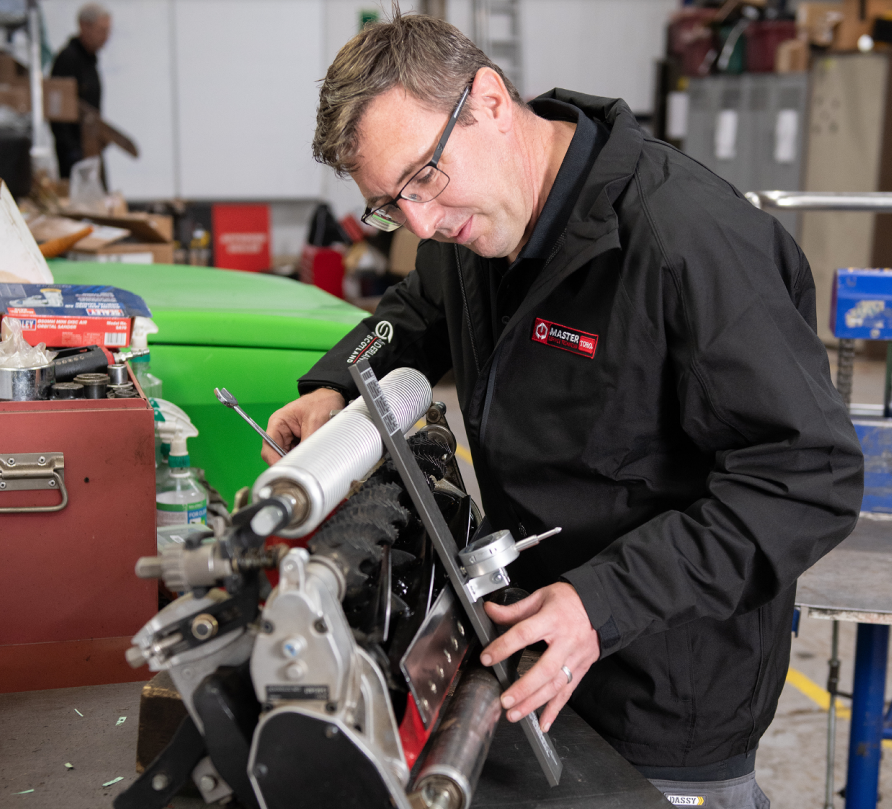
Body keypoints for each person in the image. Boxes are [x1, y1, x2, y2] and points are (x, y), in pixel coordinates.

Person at [264, 10, 863, 806]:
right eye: (388, 205)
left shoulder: (688, 242)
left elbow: (808, 475)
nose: (421, 224)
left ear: (487, 100)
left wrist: (601, 603)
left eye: (422, 179)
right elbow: (414, 313)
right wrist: (338, 386)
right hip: (532, 656)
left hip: (664, 695)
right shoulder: (475, 224)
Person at [50, 3, 111, 179]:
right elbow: (56, 111)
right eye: (102, 30)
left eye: (108, 31)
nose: (106, 37)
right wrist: (72, 152)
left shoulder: (90, 61)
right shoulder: (68, 60)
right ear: (84, 26)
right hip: (74, 157)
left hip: (92, 150)